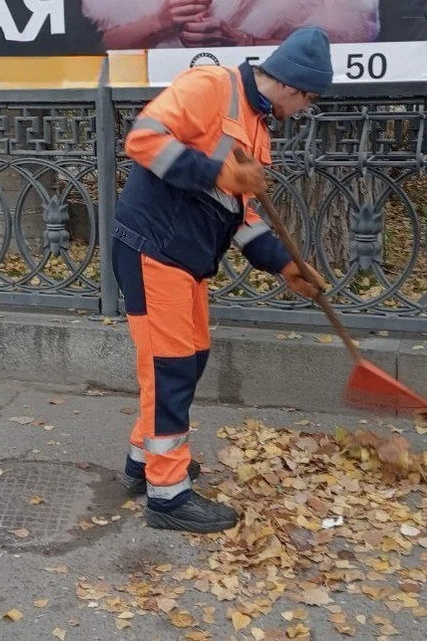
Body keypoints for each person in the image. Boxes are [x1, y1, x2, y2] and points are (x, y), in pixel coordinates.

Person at [111, 26, 332, 534]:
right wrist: (217, 172)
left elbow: (240, 214)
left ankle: (143, 462)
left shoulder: (257, 128)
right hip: (152, 247)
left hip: (186, 258)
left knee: (189, 358)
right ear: (295, 87)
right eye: (308, 101)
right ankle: (167, 497)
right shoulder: (211, 86)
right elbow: (143, 139)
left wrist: (284, 264)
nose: (303, 110)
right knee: (169, 367)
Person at [80, 0, 378, 50]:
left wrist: (245, 42)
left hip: (272, 110)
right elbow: (106, 46)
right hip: (175, 107)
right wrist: (159, 21)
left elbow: (344, 45)